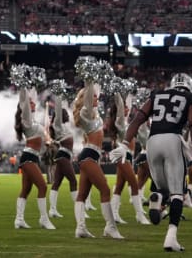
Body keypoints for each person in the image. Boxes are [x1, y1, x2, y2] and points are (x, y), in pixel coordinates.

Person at [112, 72, 192, 251]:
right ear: (189, 87)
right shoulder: (191, 97)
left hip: (152, 142)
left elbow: (138, 118)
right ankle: (171, 238)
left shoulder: (157, 95)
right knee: (178, 193)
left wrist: (124, 144)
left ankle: (157, 198)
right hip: (173, 139)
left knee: (164, 189)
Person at [72, 73, 123, 239]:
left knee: (82, 194)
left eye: (96, 96)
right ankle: (110, 227)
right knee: (105, 189)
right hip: (88, 157)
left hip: (91, 157)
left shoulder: (95, 115)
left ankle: (80, 228)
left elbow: (98, 94)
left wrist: (99, 78)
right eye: (93, 96)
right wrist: (89, 77)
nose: (96, 98)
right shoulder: (85, 114)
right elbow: (88, 98)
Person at [13, 84, 56, 230]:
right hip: (29, 158)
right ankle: (44, 219)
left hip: (33, 157)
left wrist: (48, 143)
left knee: (25, 190)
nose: (33, 103)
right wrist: (23, 85)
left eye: (34, 102)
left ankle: (19, 220)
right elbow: (24, 100)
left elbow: (42, 141)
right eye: (30, 102)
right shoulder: (26, 119)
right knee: (43, 186)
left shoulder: (32, 120)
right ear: (24, 105)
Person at [106, 89, 151, 225]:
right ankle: (139, 215)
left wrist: (130, 93)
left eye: (127, 107)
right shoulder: (120, 122)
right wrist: (118, 91)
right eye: (125, 107)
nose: (127, 109)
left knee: (119, 186)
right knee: (134, 185)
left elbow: (129, 105)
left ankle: (114, 214)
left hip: (129, 156)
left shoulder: (126, 122)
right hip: (122, 156)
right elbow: (120, 105)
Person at [48, 90, 79, 219]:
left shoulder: (65, 126)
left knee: (56, 183)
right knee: (73, 181)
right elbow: (60, 108)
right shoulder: (58, 124)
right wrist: (59, 94)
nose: (67, 115)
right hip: (62, 155)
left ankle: (52, 210)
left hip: (64, 156)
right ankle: (79, 209)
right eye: (65, 113)